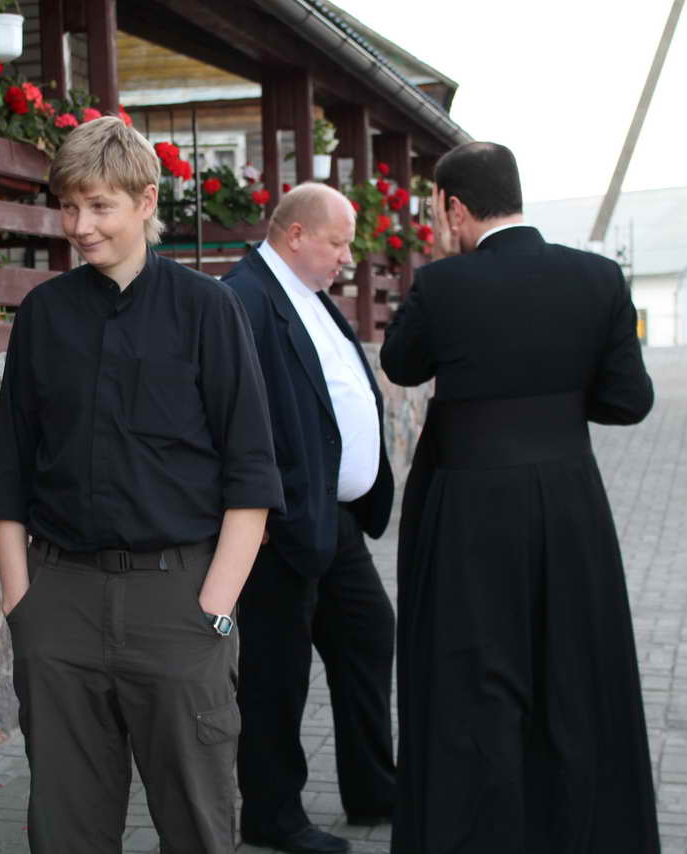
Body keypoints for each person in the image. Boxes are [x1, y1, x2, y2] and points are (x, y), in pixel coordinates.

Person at [0, 116, 283, 854]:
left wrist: (214, 612)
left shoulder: (209, 308)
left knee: (198, 826)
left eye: (100, 206)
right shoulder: (44, 313)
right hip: (60, 603)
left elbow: (251, 472)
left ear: (146, 201)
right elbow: (10, 466)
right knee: (66, 831)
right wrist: (24, 607)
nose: (80, 226)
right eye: (68, 206)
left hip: (179, 601)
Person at [381, 141, 659, 853]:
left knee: (472, 682)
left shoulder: (444, 284)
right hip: (570, 502)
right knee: (573, 670)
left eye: (436, 208)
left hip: (469, 507)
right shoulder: (598, 277)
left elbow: (401, 363)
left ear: (454, 207)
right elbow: (629, 401)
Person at [222, 183, 396, 854]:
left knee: (368, 632)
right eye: (337, 242)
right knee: (277, 672)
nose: (347, 257)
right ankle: (272, 814)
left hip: (334, 518)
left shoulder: (310, 294)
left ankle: (374, 787)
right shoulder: (243, 297)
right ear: (295, 234)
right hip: (279, 524)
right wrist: (255, 508)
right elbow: (224, 411)